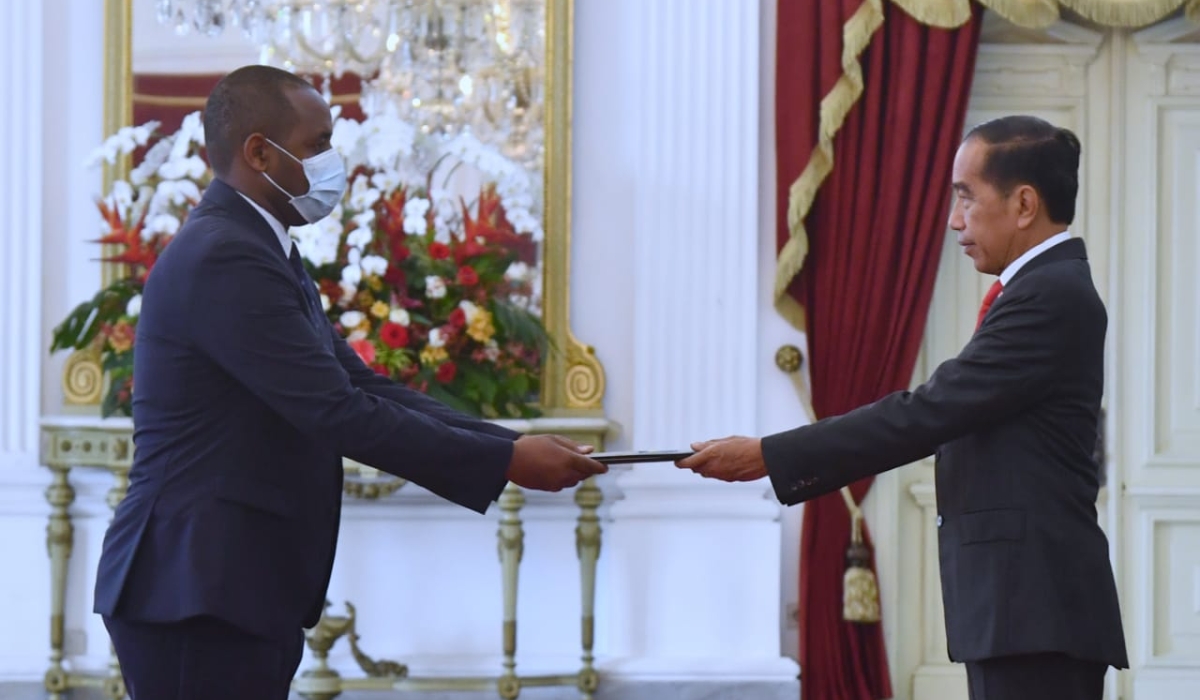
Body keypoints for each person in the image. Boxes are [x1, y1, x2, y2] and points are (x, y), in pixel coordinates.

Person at [93, 65, 607, 700]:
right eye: (318, 145)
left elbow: (364, 387)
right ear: (259, 152)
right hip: (194, 586)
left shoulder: (262, 245)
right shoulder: (225, 253)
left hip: (231, 581)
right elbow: (335, 412)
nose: (334, 162)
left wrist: (510, 442)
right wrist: (505, 461)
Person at [677, 115, 1127, 700]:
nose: (953, 221)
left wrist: (770, 454)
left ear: (1023, 204)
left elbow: (929, 411)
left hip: (1034, 607)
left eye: (966, 197)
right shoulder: (1042, 289)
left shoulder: (1051, 295)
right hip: (1023, 609)